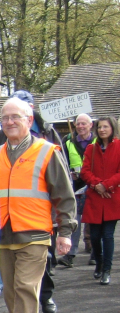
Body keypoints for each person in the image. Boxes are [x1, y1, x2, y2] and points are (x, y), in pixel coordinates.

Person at [0, 98, 76, 313]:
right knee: (9, 292)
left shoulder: (46, 151)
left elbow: (64, 196)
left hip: (35, 233)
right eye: (5, 117)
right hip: (3, 234)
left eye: (15, 117)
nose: (9, 122)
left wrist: (65, 232)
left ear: (29, 121)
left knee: (26, 289)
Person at [80, 116, 120, 285]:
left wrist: (107, 185)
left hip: (111, 197)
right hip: (95, 198)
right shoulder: (91, 149)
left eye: (105, 127)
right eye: (100, 127)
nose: (102, 129)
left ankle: (106, 270)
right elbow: (85, 171)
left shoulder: (119, 146)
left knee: (108, 235)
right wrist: (97, 185)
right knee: (94, 236)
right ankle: (99, 262)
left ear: (112, 128)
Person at [59, 113, 96, 267]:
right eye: (78, 124)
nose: (80, 126)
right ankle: (70, 254)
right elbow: (63, 161)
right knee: (75, 221)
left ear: (90, 125)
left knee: (94, 221)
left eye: (84, 124)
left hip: (94, 185)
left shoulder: (97, 140)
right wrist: (69, 175)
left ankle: (95, 253)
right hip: (75, 185)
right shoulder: (68, 140)